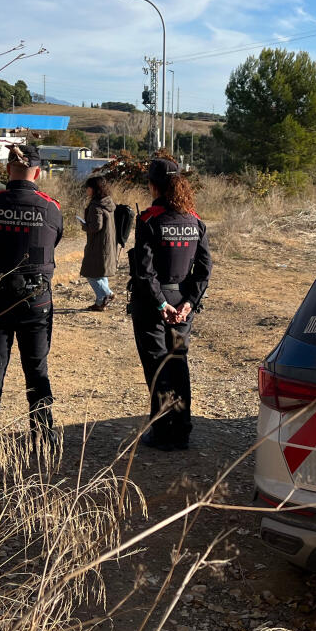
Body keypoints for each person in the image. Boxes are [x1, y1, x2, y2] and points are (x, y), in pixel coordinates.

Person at [0, 145, 62, 439]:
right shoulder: (50, 207)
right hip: (35, 300)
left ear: (8, 170)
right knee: (37, 368)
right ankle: (43, 432)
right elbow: (54, 241)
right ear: (37, 172)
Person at [129, 157, 211, 451]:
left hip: (154, 304)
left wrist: (161, 303)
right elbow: (203, 270)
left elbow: (144, 271)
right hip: (183, 303)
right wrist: (189, 303)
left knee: (158, 366)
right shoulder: (195, 221)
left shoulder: (149, 220)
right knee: (178, 364)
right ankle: (182, 429)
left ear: (153, 186)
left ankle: (162, 431)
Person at [79, 175, 117, 311]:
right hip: (108, 244)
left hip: (98, 245)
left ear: (94, 189)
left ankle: (107, 293)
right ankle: (100, 302)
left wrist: (84, 226)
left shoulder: (96, 206)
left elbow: (96, 227)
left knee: (90, 273)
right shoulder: (108, 203)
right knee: (100, 273)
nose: (87, 190)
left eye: (88, 187)